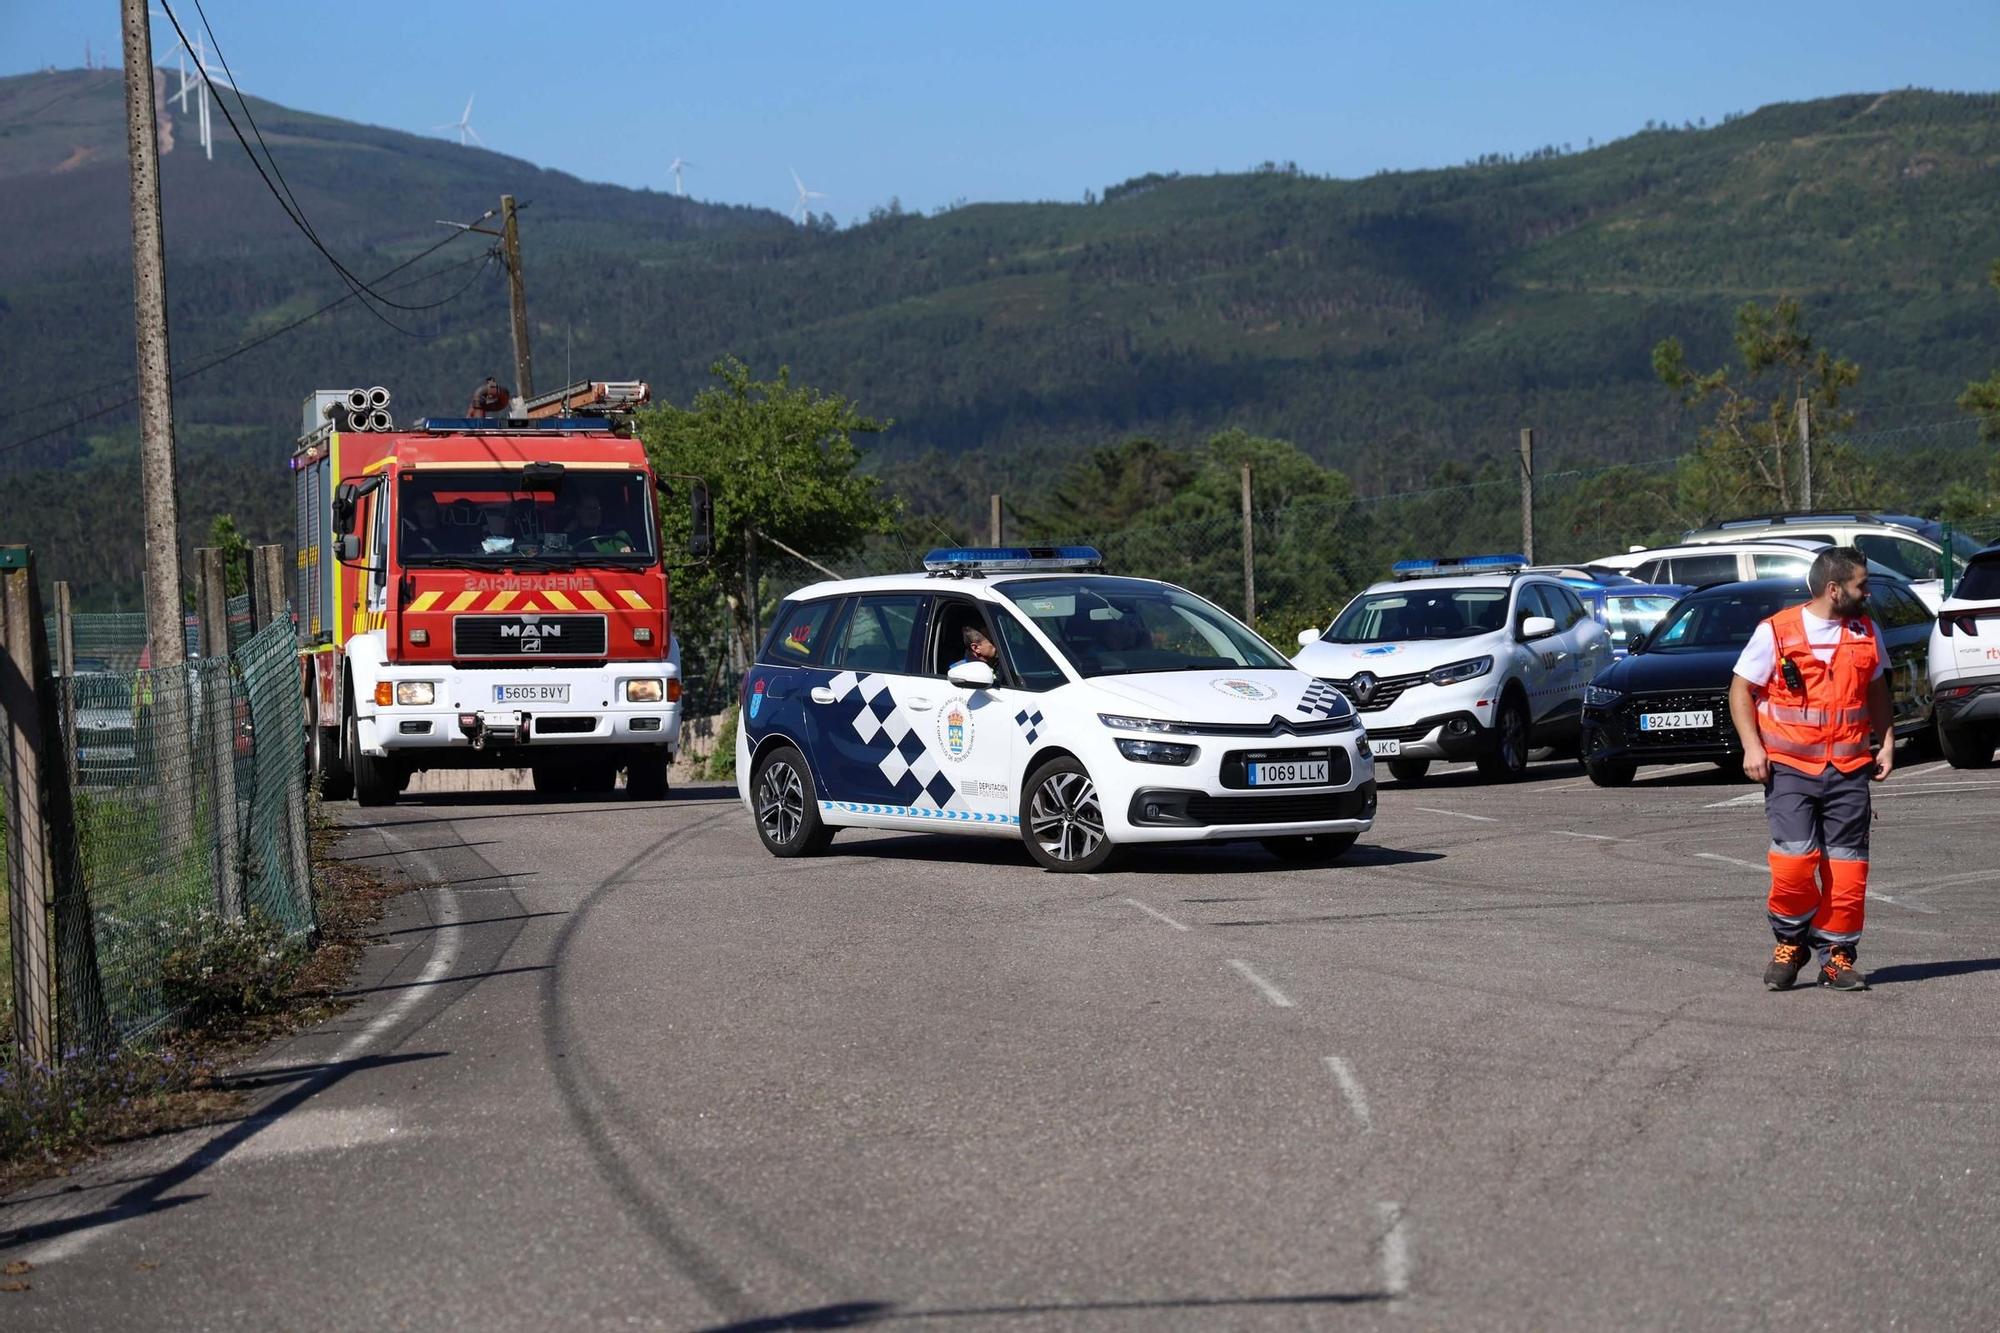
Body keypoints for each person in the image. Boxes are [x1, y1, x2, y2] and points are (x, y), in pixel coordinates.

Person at [1727, 547, 1893, 993]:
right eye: (1862, 584)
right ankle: (1790, 941)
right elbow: (1740, 690)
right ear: (1834, 589)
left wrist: (1888, 742)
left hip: (1849, 769)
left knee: (1847, 867)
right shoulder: (1776, 633)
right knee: (1795, 863)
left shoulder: (1866, 631)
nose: (1868, 592)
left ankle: (1836, 956)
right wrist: (1751, 748)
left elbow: (1877, 688)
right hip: (1790, 769)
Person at [567, 494, 636, 554]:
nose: (594, 513)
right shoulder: (571, 538)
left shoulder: (617, 536)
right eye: (589, 508)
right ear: (578, 511)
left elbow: (629, 559)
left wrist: (626, 552)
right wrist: (569, 532)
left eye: (597, 508)